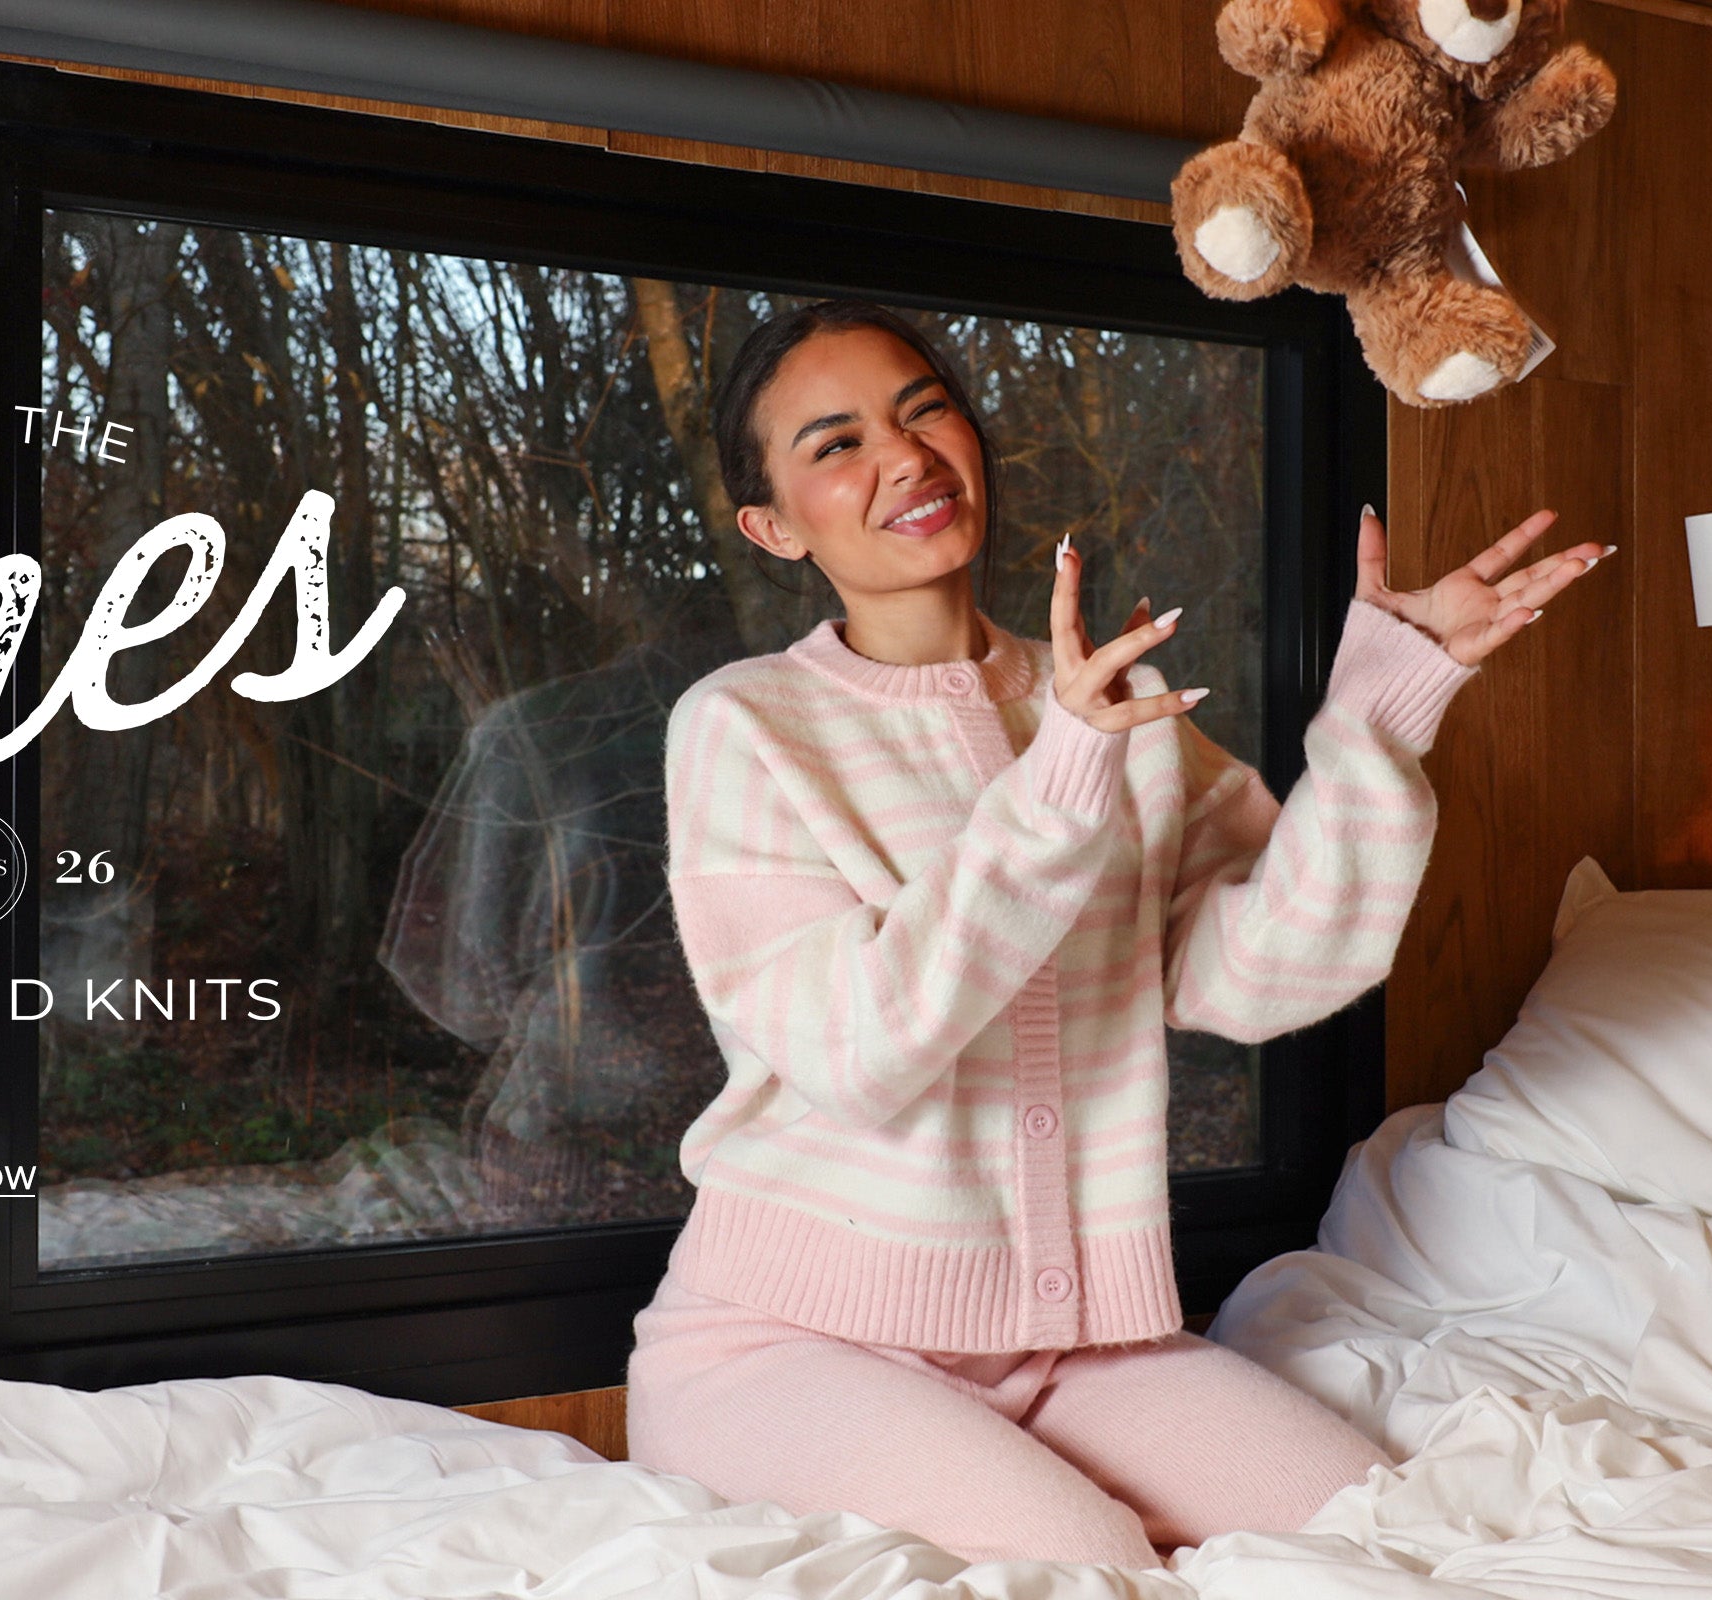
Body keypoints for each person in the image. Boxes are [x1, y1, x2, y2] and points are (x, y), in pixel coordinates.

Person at [626, 299, 1608, 1568]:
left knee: (1389, 1535)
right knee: (1084, 1566)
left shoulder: (1113, 700)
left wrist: (1383, 708)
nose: (906, 456)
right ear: (772, 524)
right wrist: (1059, 783)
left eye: (924, 409)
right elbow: (859, 1050)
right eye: (837, 443)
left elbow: (1263, 969)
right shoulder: (747, 726)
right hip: (787, 1342)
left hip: (1074, 1338)